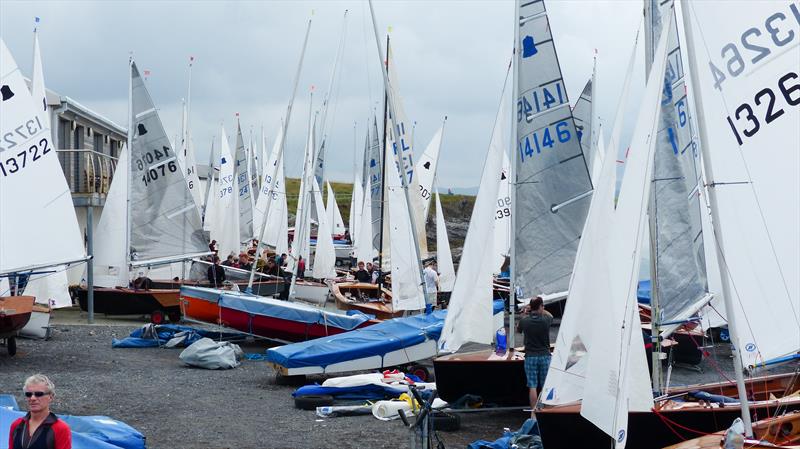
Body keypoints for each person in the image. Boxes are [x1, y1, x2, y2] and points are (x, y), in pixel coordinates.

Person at [9, 374, 71, 449]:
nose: (32, 398)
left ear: (50, 397)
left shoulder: (60, 428)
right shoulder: (17, 425)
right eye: (28, 394)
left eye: (38, 394)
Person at [517, 296, 553, 419]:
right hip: (545, 356)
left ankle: (534, 412)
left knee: (532, 385)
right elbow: (551, 315)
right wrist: (540, 309)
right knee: (544, 385)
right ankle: (544, 408)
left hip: (530, 356)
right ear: (541, 307)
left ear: (531, 307)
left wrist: (525, 313)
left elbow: (518, 329)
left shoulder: (525, 321)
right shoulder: (546, 320)